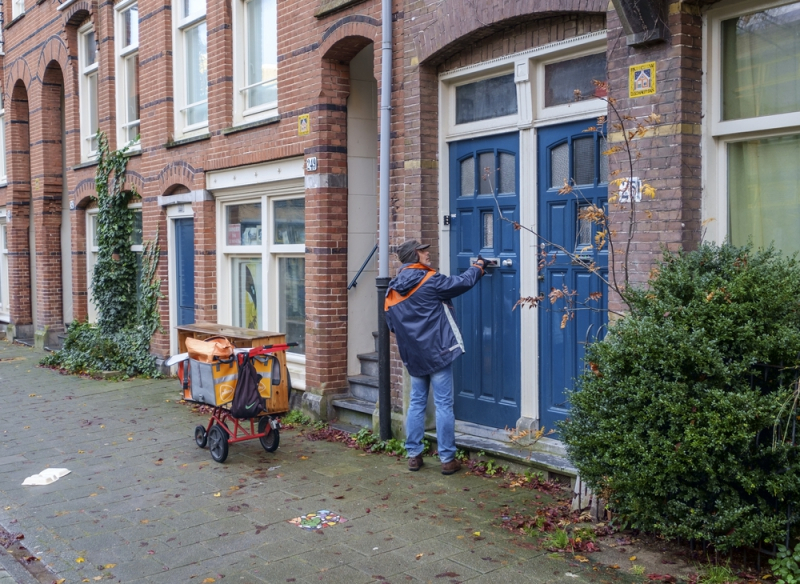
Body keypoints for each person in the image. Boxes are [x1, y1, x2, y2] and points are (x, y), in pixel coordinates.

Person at [384, 239, 485, 475]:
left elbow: (392, 325)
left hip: (414, 356)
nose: (427, 254)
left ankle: (413, 455)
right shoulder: (430, 280)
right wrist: (479, 266)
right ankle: (448, 459)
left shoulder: (391, 290)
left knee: (417, 403)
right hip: (438, 351)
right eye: (422, 251)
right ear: (414, 255)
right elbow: (462, 283)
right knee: (443, 404)